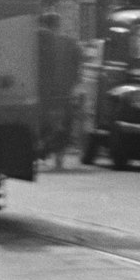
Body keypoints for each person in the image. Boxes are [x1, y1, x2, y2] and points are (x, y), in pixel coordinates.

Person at [38, 12, 85, 170]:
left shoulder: (36, 39)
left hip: (42, 92)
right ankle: (59, 157)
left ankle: (41, 152)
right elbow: (79, 64)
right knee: (65, 122)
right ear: (58, 24)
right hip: (64, 91)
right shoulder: (70, 42)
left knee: (43, 121)